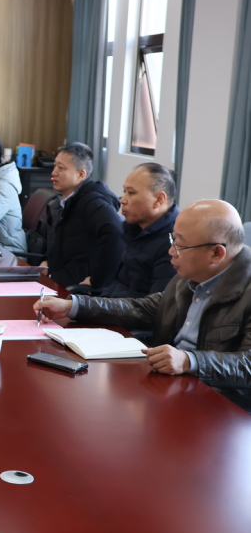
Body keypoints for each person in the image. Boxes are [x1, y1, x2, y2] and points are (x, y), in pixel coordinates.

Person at [35, 200, 251, 411]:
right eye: (173, 240)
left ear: (216, 253)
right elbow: (143, 308)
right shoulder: (191, 275)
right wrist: (74, 306)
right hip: (170, 386)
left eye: (180, 245)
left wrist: (190, 361)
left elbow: (247, 365)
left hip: (219, 407)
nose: (171, 251)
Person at [35, 142, 124, 292]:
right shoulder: (62, 201)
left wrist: (98, 280)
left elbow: (116, 232)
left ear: (81, 175)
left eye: (61, 168)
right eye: (55, 166)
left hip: (75, 287)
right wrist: (47, 261)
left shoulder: (93, 202)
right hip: (57, 276)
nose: (54, 172)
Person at [108, 162, 179, 298]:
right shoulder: (133, 228)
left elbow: (155, 306)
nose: (122, 200)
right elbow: (120, 284)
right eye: (124, 192)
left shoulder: (174, 242)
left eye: (131, 193)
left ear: (159, 199)